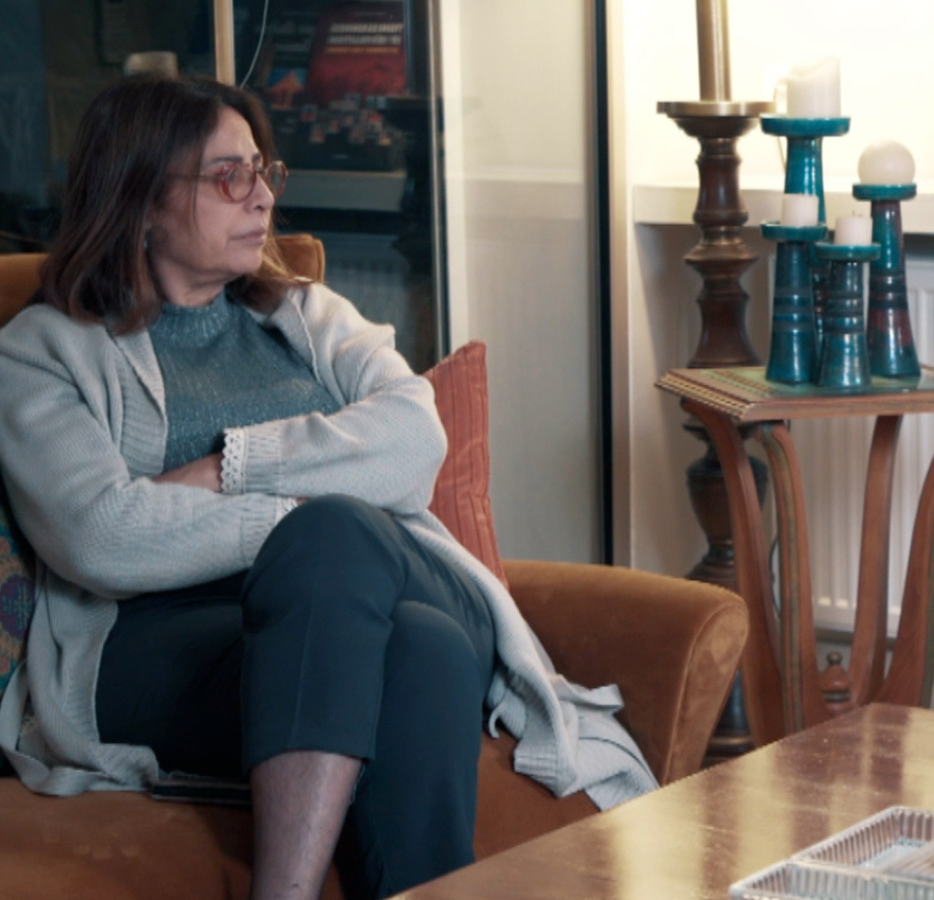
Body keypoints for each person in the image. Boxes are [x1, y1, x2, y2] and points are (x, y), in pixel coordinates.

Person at [0, 76, 654, 900]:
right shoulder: (43, 352)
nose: (261, 198)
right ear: (140, 201)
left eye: (263, 171)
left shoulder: (307, 315)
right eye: (228, 177)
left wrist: (233, 467)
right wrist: (298, 516)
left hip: (384, 576)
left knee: (337, 540)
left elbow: (414, 443)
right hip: (168, 647)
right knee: (422, 649)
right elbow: (102, 535)